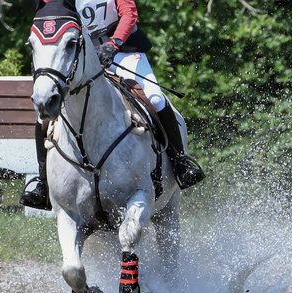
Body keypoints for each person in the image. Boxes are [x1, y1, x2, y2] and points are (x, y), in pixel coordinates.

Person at [20, 0, 205, 210]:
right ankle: (42, 181)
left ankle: (180, 162)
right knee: (43, 116)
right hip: (80, 54)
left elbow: (129, 14)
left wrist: (113, 44)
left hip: (123, 50)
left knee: (155, 99)